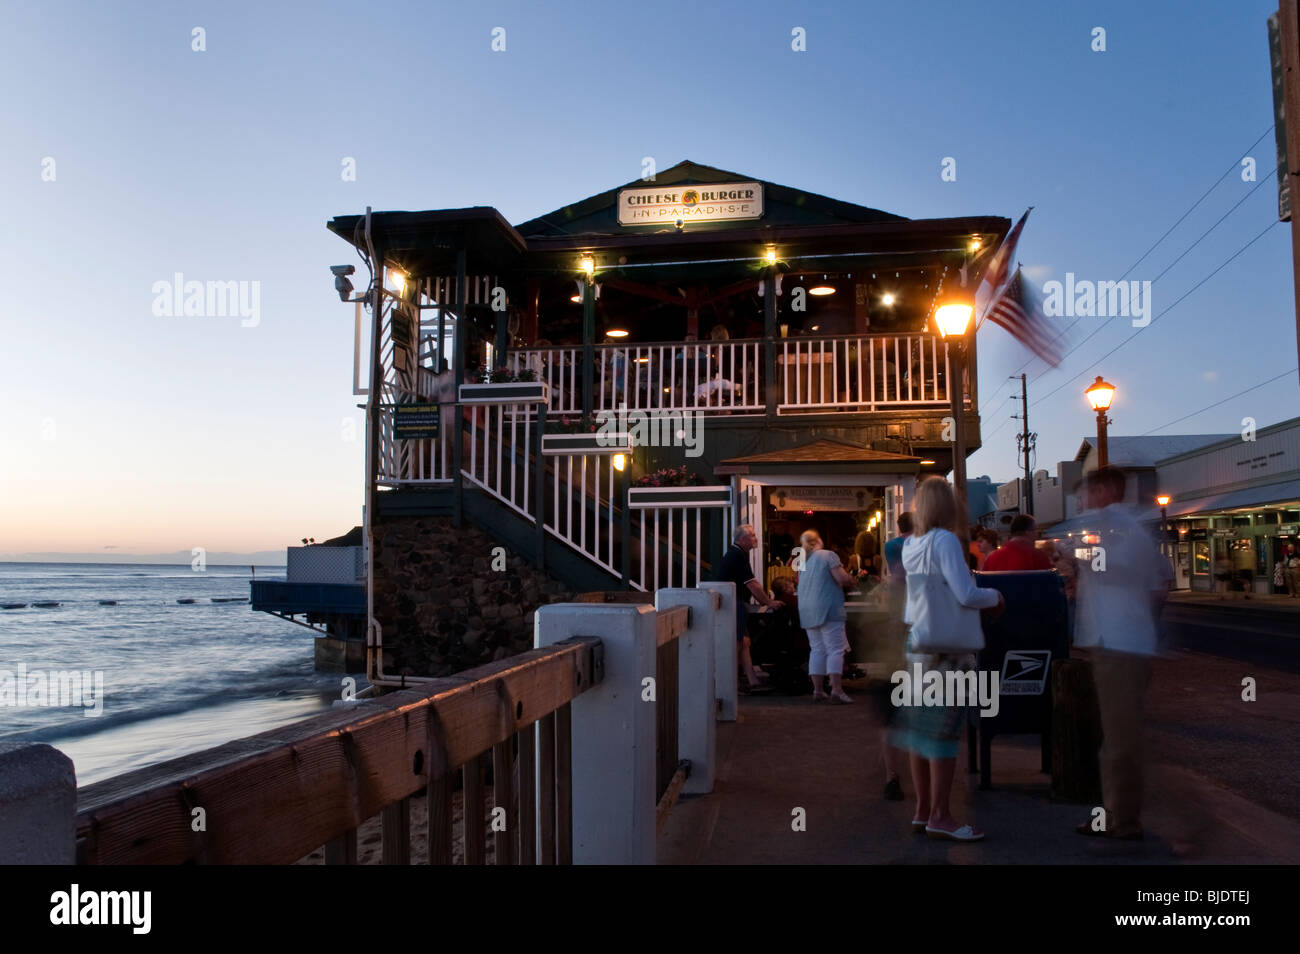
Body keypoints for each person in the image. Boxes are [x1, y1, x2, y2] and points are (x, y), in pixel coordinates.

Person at [898, 478, 1004, 842]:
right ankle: (941, 816)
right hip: (946, 652)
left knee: (920, 734)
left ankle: (922, 811)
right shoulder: (944, 540)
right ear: (947, 506)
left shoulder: (912, 544)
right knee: (943, 736)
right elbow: (966, 593)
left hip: (918, 643)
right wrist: (997, 597)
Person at [1072, 466, 1173, 842]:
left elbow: (1112, 569)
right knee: (1116, 736)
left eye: (1088, 494)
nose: (1083, 502)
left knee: (1119, 739)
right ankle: (1116, 813)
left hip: (1119, 643)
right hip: (1117, 642)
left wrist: (1078, 554)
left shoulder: (1119, 528)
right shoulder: (1121, 528)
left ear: (1107, 491)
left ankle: (1123, 820)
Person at [718, 524, 783, 692]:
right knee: (737, 643)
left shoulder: (737, 553)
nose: (756, 538)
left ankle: (753, 681)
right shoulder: (738, 555)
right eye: (753, 536)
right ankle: (730, 684)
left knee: (744, 642)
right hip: (733, 604)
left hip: (733, 603)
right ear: (742, 539)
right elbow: (752, 584)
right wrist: (769, 602)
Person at [796, 530, 858, 703]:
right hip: (829, 608)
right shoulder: (828, 555)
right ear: (818, 541)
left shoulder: (802, 560)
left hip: (807, 610)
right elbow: (840, 578)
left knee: (817, 649)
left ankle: (818, 690)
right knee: (835, 649)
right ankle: (837, 690)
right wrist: (851, 579)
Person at [878, 512, 914, 800]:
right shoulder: (925, 548)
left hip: (895, 623)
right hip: (919, 626)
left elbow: (890, 576)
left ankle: (892, 774)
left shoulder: (891, 548)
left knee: (892, 706)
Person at [982, 515, 1054, 571]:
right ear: (1028, 532)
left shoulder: (991, 558)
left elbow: (983, 587)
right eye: (1035, 530)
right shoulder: (1038, 557)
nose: (1037, 534)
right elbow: (1049, 587)